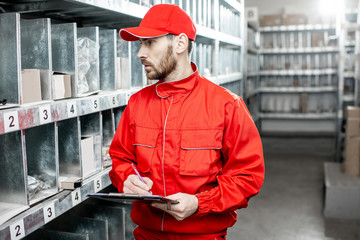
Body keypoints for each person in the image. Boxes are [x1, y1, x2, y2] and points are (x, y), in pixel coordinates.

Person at [109, 4, 265, 240]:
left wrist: (199, 203)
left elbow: (247, 176)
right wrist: (127, 179)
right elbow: (121, 158)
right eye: (141, 43)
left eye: (149, 42)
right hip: (146, 235)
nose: (140, 53)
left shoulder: (226, 105)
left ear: (180, 43)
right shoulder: (137, 104)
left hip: (202, 236)